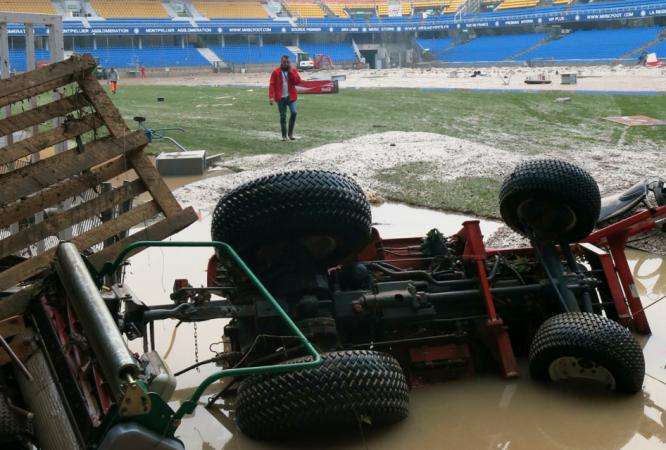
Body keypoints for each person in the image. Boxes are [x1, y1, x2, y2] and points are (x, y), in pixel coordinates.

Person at [268, 55, 303, 141]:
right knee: (283, 116)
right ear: (281, 62)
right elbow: (272, 85)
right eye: (284, 62)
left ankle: (290, 134)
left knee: (294, 113)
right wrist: (271, 97)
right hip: (280, 98)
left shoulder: (293, 71)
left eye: (287, 62)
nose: (286, 64)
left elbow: (298, 82)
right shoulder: (276, 72)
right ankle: (284, 136)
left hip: (291, 97)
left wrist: (291, 73)